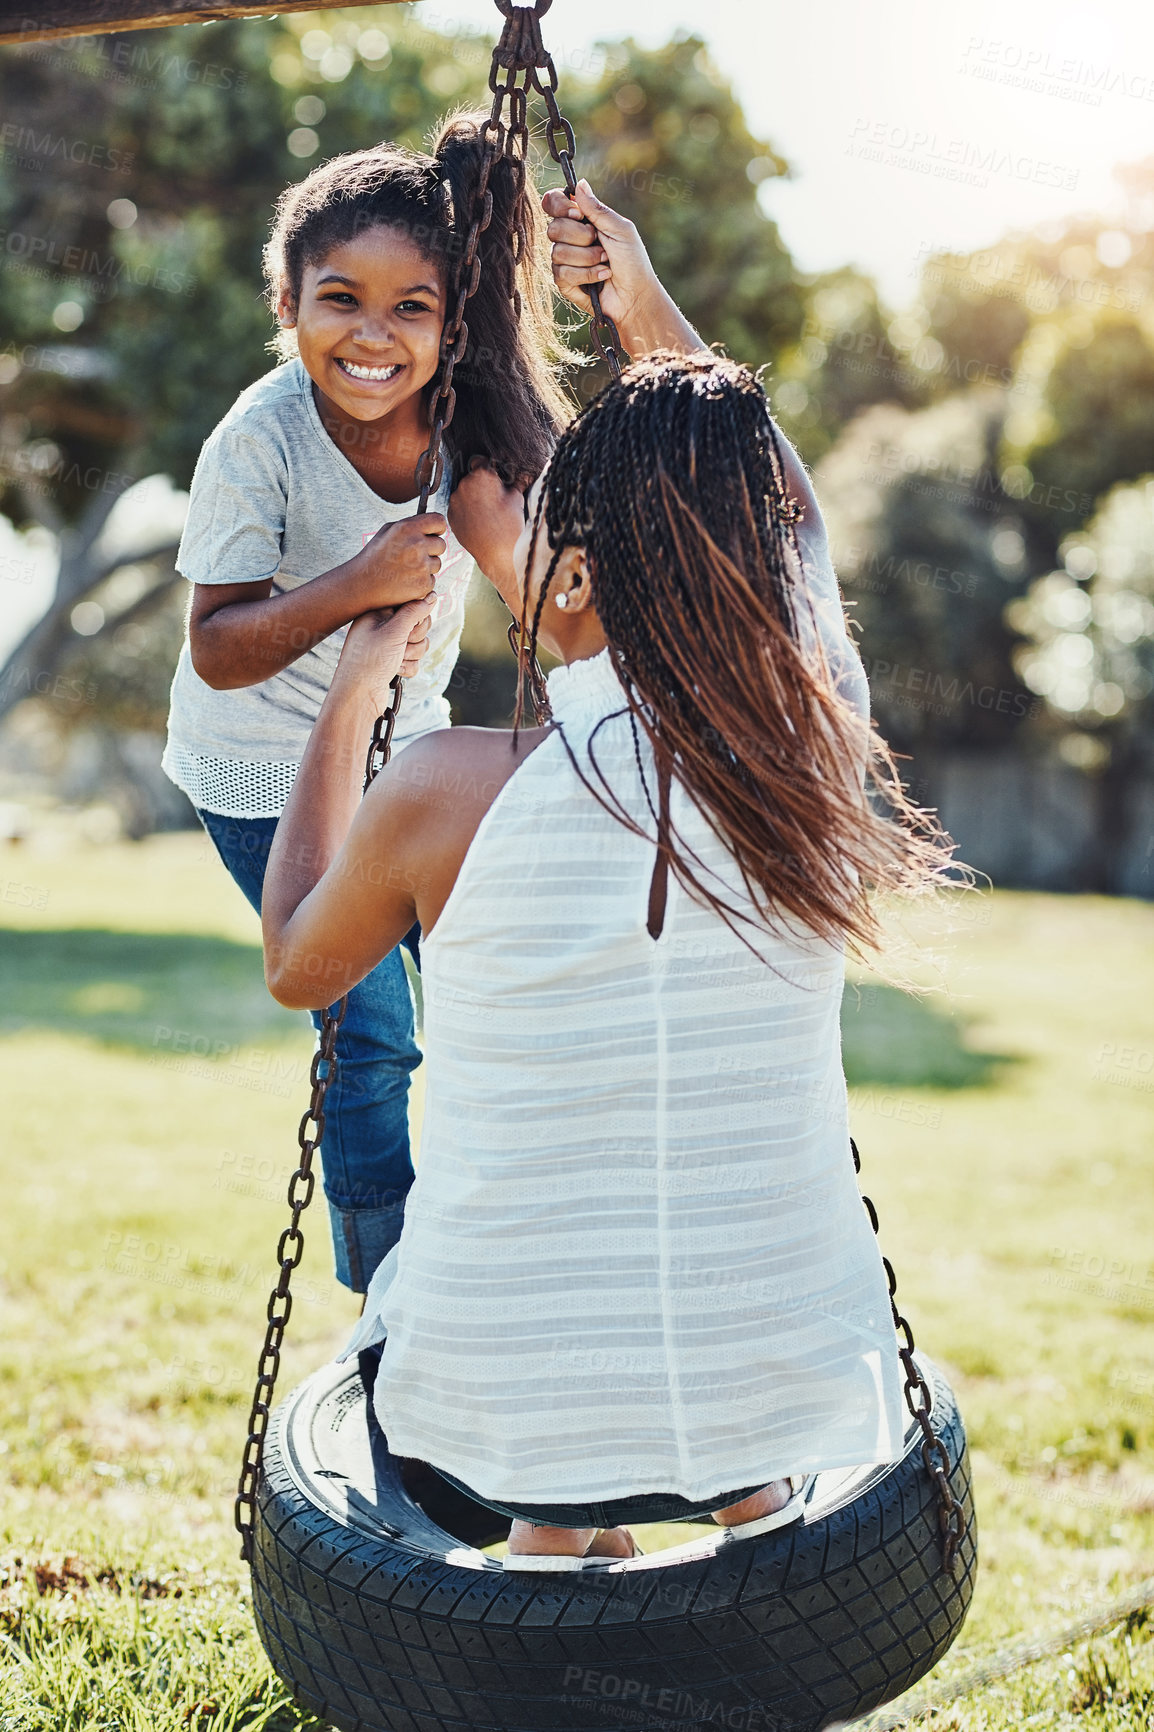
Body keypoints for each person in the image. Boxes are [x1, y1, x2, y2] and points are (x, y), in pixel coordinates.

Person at [259, 193, 954, 1566]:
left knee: (540, 1381)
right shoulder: (809, 757)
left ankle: (556, 1531)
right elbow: (792, 525)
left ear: (563, 585)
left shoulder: (451, 786)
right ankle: (733, 1514)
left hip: (487, 1391)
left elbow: (296, 965)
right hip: (785, 1377)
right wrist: (638, 298)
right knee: (713, 1381)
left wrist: (347, 704)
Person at [161, 115, 570, 1294]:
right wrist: (355, 587)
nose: (373, 336)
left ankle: (504, 1248)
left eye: (412, 308)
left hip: (406, 748)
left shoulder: (467, 421)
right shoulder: (260, 440)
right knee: (369, 1027)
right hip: (259, 766)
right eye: (340, 300)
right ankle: (383, 1286)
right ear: (285, 304)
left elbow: (541, 555)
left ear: (451, 321)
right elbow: (218, 647)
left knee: (496, 981)